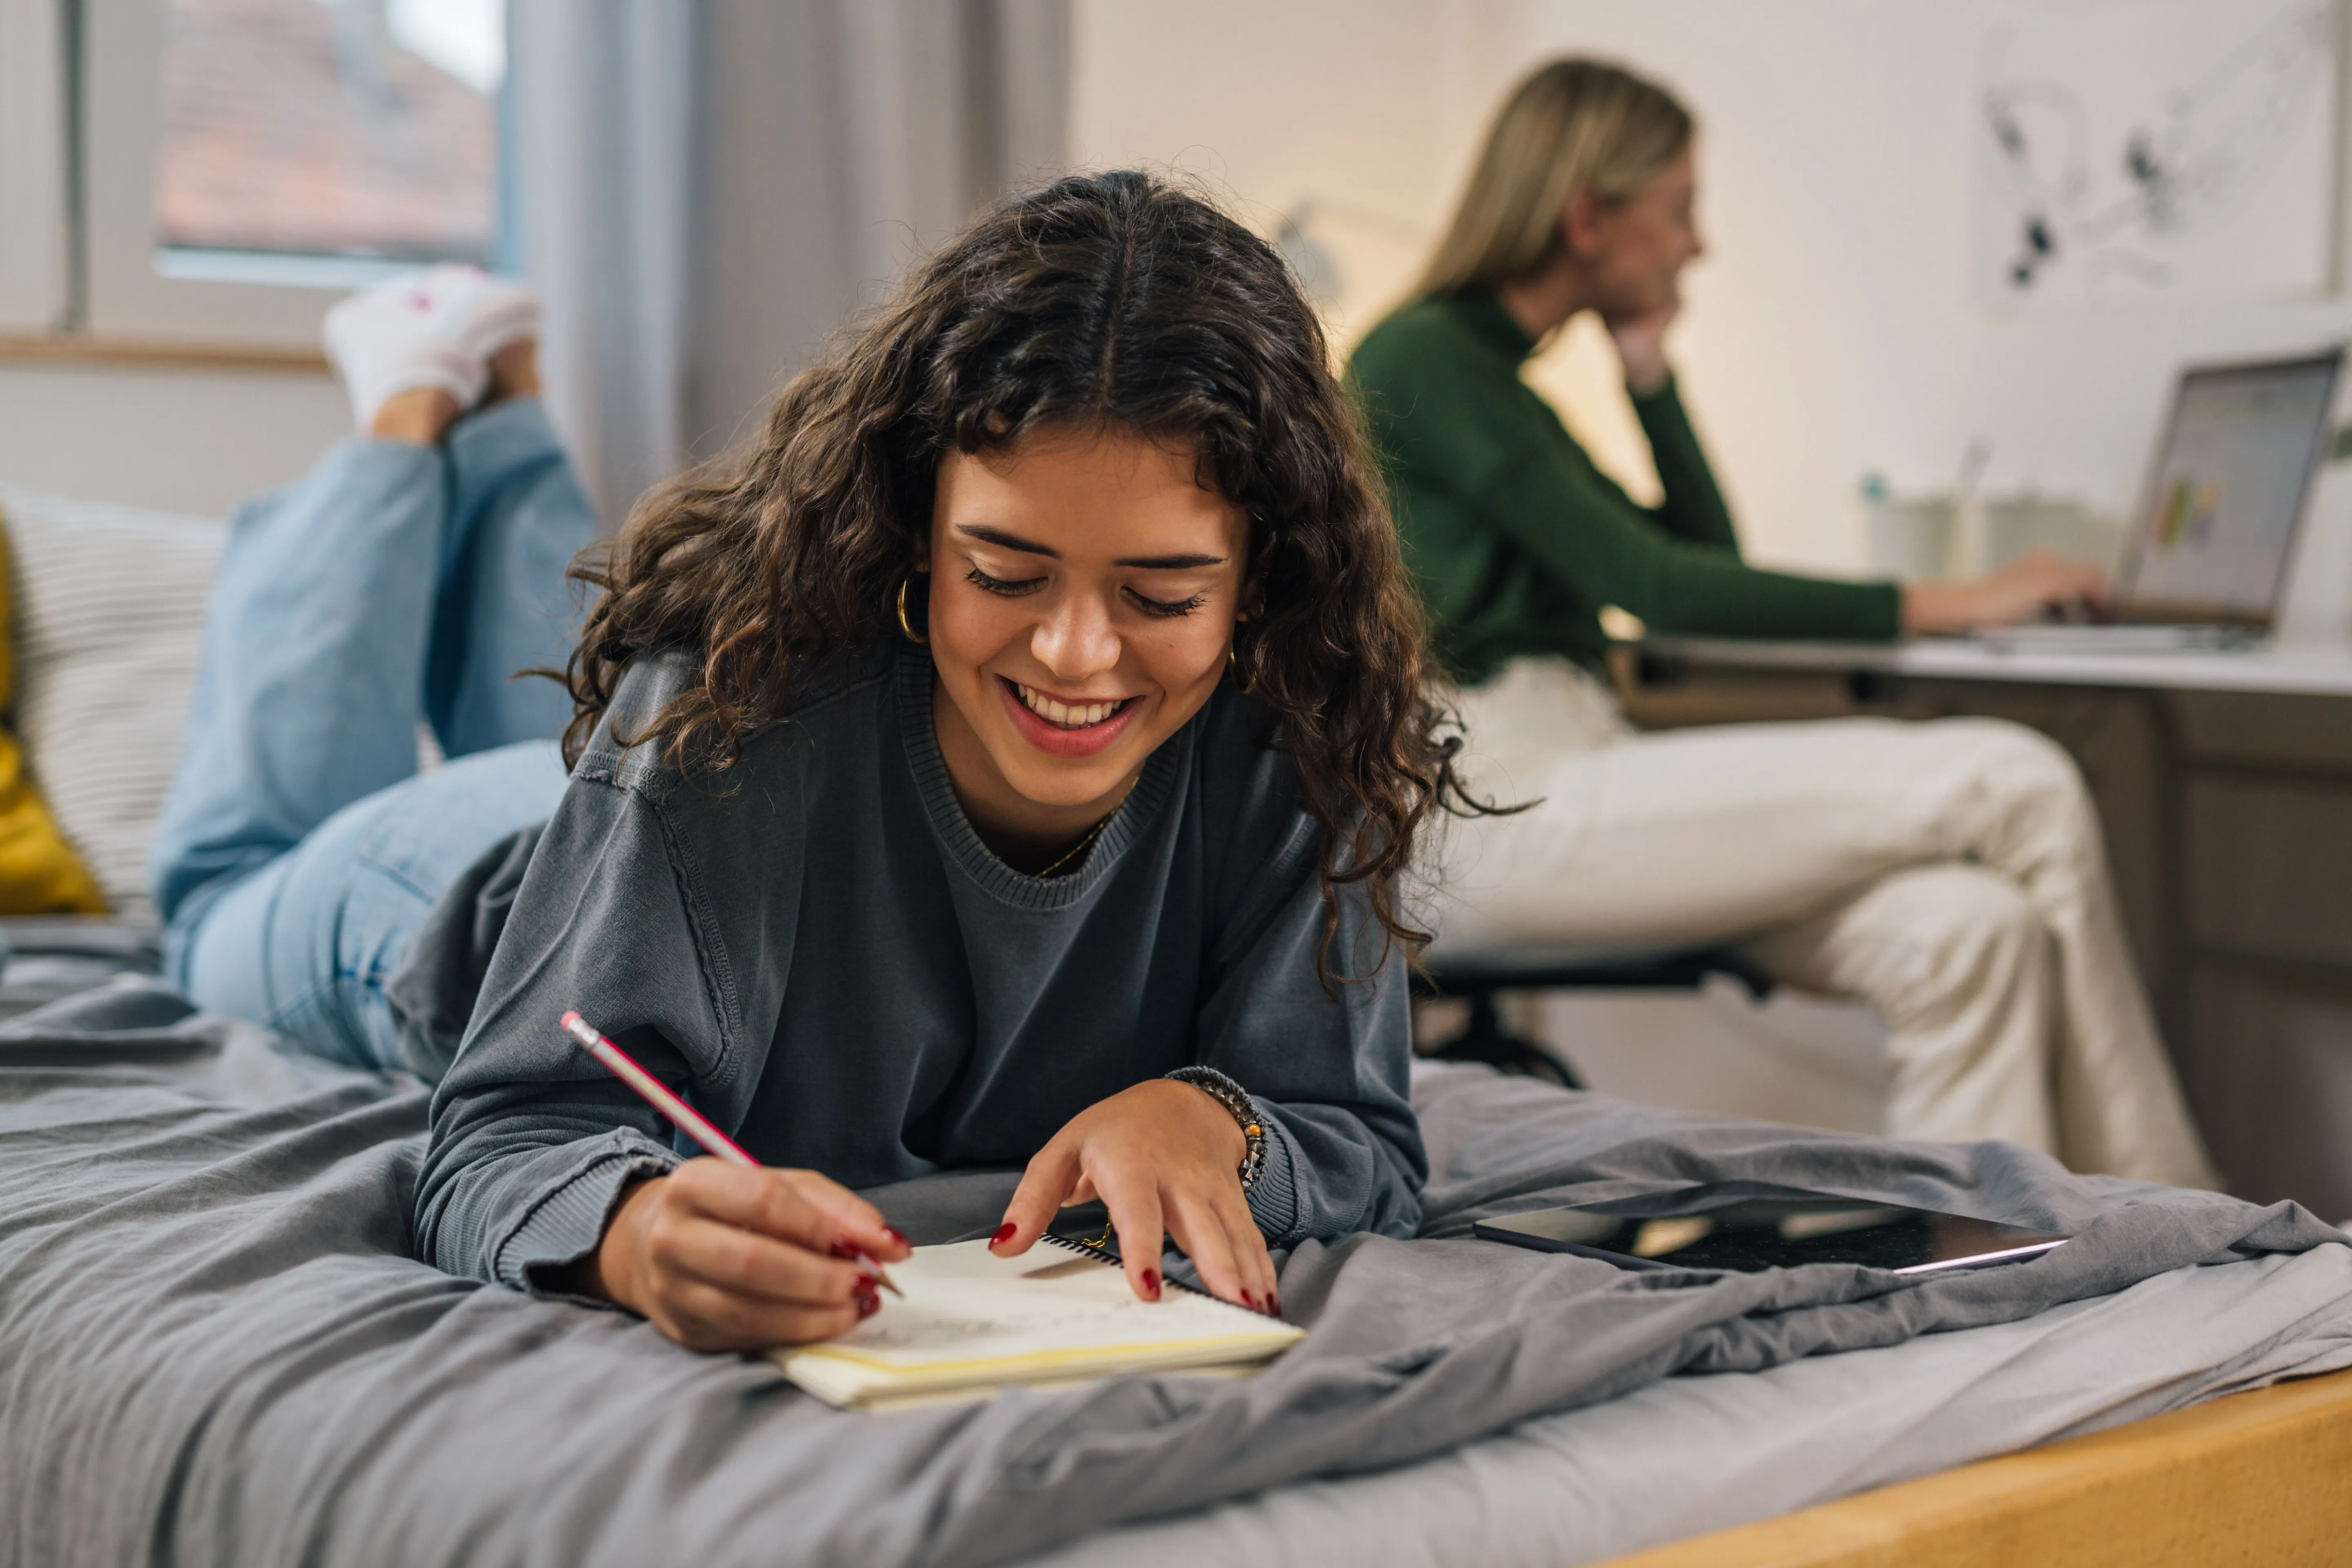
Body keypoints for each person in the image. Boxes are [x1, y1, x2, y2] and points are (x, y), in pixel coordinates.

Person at [151, 172, 1450, 1350]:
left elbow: (1356, 1137)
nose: (1076, 653)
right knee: (223, 884)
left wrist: (1215, 1117)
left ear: (1262, 580)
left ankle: (506, 411)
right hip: (453, 896)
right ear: (917, 530)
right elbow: (509, 1135)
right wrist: (634, 1234)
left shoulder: (1306, 721)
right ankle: (409, 410)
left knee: (564, 736)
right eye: (1005, 574)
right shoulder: (735, 706)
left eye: (1162, 597)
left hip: (637, 826)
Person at [1348, 58, 2219, 1189]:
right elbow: (1664, 586)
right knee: (2023, 780)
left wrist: (1648, 372)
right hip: (1483, 801)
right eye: (1680, 209)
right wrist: (1959, 601)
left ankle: (1996, 1255)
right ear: (1587, 216)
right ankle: (2169, 1211)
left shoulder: (1498, 382)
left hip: (1564, 772)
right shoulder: (1427, 356)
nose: (1697, 245)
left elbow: (1701, 561)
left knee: (1968, 929)